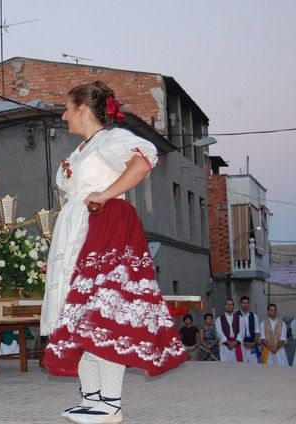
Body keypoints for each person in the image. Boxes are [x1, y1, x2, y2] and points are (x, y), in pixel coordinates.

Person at [40, 81, 185, 424]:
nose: (63, 115)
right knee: (78, 318)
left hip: (103, 229)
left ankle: (110, 404)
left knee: (102, 316)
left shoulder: (110, 140)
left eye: (67, 108)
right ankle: (91, 399)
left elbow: (143, 162)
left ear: (81, 110)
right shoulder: (82, 150)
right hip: (76, 230)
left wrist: (104, 194)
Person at [215, 298, 244, 362]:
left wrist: (235, 343)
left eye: (231, 304)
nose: (229, 306)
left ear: (233, 306)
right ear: (225, 306)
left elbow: (242, 332)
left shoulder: (240, 318)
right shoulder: (219, 319)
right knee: (225, 366)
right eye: (227, 304)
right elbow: (219, 333)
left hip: (237, 344)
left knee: (238, 366)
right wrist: (228, 343)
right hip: (225, 346)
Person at [236, 296, 261, 363]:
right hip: (240, 345)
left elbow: (257, 331)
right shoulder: (235, 316)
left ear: (249, 304)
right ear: (240, 304)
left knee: (254, 366)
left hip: (252, 345)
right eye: (243, 303)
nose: (245, 304)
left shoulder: (254, 316)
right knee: (242, 366)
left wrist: (253, 343)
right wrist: (243, 342)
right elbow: (234, 332)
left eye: (247, 303)